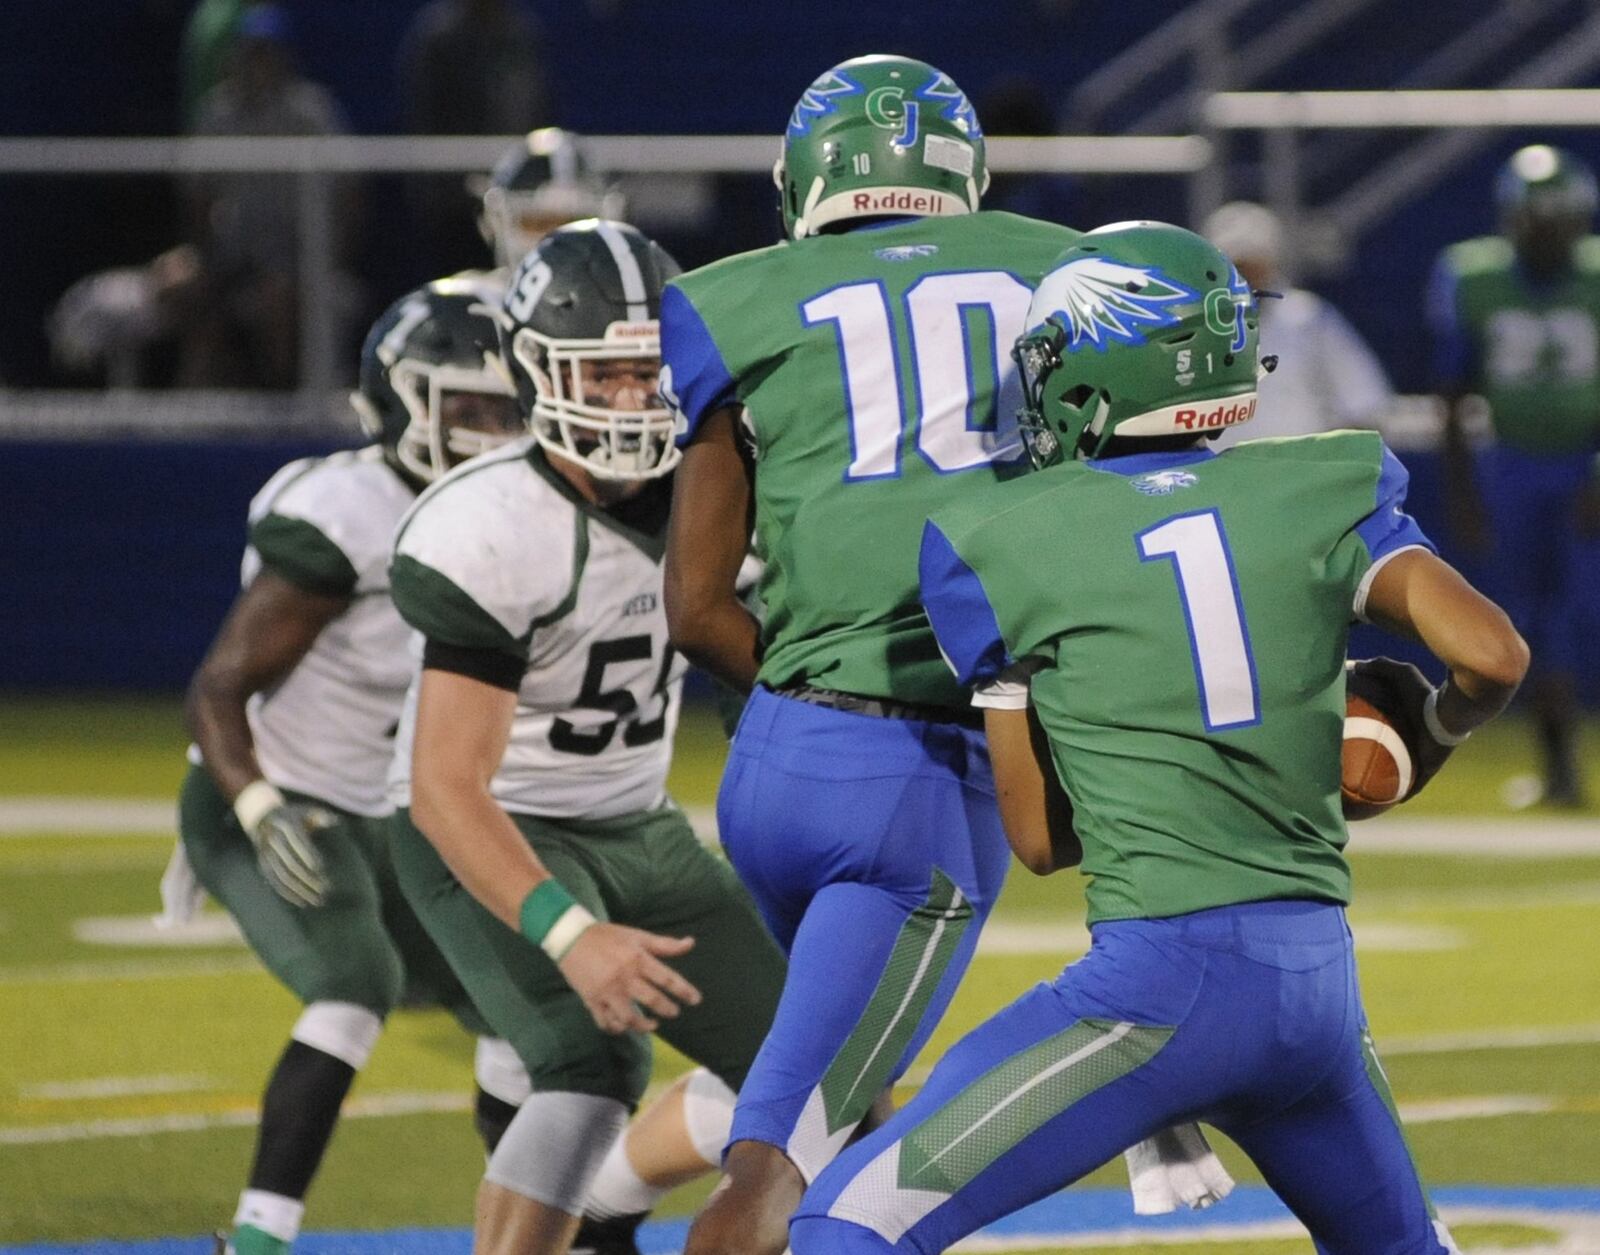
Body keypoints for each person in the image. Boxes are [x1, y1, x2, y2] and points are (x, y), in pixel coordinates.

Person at [789, 221, 1528, 1254]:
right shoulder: (1327, 484)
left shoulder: (997, 535)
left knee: (843, 1225)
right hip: (1316, 995)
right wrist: (1433, 729)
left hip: (1157, 991)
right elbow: (1492, 655)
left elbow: (1040, 840)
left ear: (1094, 362)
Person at [659, 55, 1226, 1255]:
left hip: (772, 760)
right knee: (775, 1170)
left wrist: (814, 704)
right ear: (963, 169)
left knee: (843, 1108)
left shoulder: (730, 298)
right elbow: (1114, 523)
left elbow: (695, 606)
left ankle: (600, 1196)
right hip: (923, 771)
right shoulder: (1063, 269)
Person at [385, 220, 787, 1255]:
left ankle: (615, 1209)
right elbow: (442, 785)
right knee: (585, 1070)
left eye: (643, 373)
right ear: (536, 370)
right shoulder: (490, 521)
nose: (625, 399)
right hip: (492, 825)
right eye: (599, 374)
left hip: (637, 826)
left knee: (816, 1068)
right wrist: (571, 932)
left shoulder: (718, 486)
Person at [181, 275, 528, 1255]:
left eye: (504, 406)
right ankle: (257, 1242)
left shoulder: (513, 507)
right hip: (270, 795)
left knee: (515, 995)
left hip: (392, 812)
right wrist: (253, 805)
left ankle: (540, 1233)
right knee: (354, 985)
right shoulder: (346, 511)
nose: (488, 427)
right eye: (462, 404)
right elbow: (216, 689)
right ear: (400, 399)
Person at [1428, 143, 1600, 807]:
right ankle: (1559, 769)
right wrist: (1464, 490)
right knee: (1529, 625)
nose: (1549, 234)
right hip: (1516, 464)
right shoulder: (1473, 275)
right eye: (1538, 220)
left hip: (1584, 457)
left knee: (1578, 615)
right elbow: (1450, 390)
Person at [184, 3, 357, 388]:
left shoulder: (310, 112)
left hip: (296, 255)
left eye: (266, 51)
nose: (258, 62)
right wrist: (207, 255)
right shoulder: (217, 112)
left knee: (275, 298)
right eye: (250, 51)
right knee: (184, 288)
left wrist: (330, 254)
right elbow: (197, 195)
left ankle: (280, 399)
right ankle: (190, 409)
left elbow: (351, 191)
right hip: (234, 253)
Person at [1203, 200, 1394, 445]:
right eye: (1232, 265)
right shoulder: (1191, 326)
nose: (1242, 276)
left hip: (1302, 476)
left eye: (1251, 265)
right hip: (1218, 478)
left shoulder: (1310, 318)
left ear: (1270, 263)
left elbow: (1364, 401)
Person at [397, 0, 555, 279]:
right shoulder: (438, 35)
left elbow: (535, 109)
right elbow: (427, 117)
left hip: (514, 197)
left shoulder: (519, 30)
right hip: (454, 206)